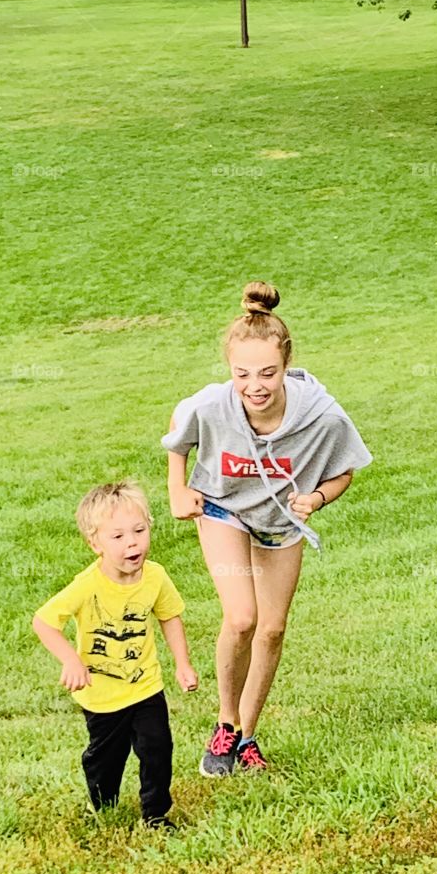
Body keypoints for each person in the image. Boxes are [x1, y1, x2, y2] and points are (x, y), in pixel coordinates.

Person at [162, 282, 371, 777]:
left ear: (286, 364)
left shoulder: (321, 415)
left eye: (267, 373)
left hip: (280, 522)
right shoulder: (213, 405)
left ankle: (248, 737)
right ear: (229, 369)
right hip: (223, 509)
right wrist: (177, 489)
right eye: (242, 374)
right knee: (242, 618)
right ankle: (225, 723)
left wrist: (316, 498)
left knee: (272, 628)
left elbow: (345, 470)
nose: (254, 385)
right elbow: (179, 430)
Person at [32, 481, 198, 828]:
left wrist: (182, 663)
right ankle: (102, 803)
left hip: (145, 686)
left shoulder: (155, 577)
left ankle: (155, 813)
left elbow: (169, 616)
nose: (132, 542)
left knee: (157, 747)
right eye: (118, 536)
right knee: (106, 757)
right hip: (102, 696)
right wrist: (71, 660)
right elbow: (44, 622)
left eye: (139, 531)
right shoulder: (87, 585)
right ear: (95, 543)